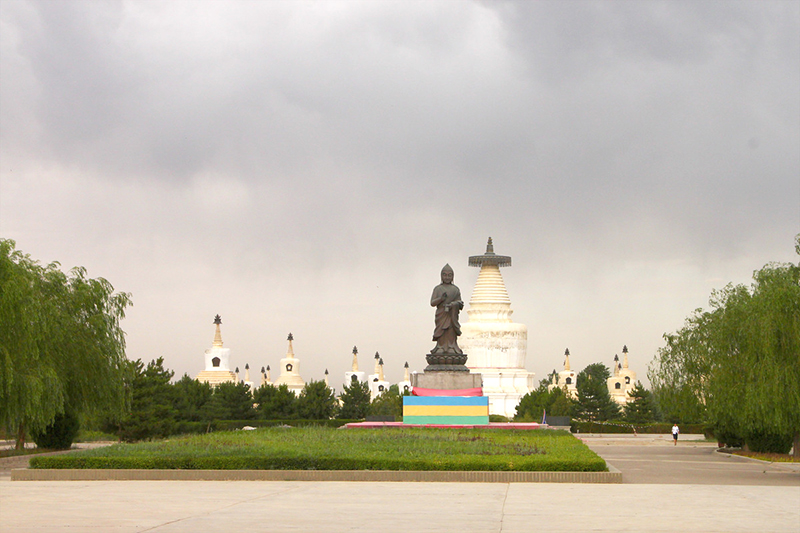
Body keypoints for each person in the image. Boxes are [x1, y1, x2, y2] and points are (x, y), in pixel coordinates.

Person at [430, 263, 464, 355]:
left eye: (449, 275)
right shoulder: (438, 289)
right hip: (442, 314)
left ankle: (451, 346)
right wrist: (441, 299)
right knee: (442, 331)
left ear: (452, 276)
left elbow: (460, 303)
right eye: (445, 275)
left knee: (450, 330)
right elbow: (432, 303)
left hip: (451, 314)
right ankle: (440, 346)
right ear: (441, 276)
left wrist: (453, 304)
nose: (447, 277)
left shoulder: (455, 289)